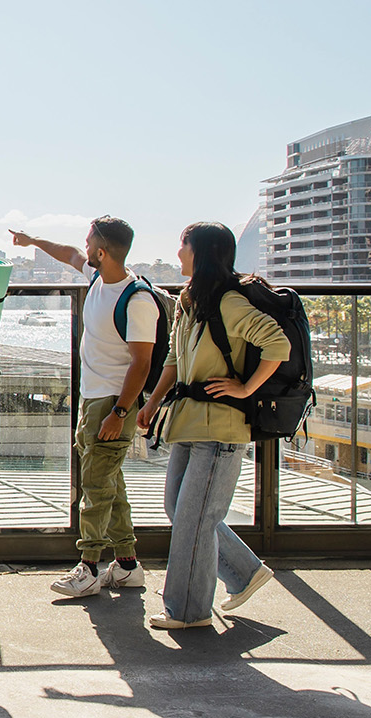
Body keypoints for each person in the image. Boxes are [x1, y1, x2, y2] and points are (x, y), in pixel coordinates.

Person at [137, 222, 286, 629]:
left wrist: (244, 388)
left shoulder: (228, 302)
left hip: (220, 428)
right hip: (187, 422)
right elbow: (172, 358)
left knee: (194, 518)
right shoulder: (190, 300)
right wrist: (151, 403)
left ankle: (187, 612)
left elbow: (277, 344)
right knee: (179, 509)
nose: (178, 252)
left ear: (199, 252)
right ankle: (244, 572)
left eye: (182, 245)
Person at [11, 217, 159, 598]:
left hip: (112, 404)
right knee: (110, 484)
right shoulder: (97, 281)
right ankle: (127, 566)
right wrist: (32, 241)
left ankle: (89, 566)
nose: (84, 245)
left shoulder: (136, 299)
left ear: (103, 251)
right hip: (93, 401)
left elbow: (141, 363)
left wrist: (120, 412)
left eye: (89, 240)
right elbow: (68, 253)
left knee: (94, 487)